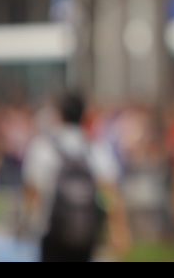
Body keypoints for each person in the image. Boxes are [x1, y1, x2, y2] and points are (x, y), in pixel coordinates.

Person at [21, 91, 130, 262]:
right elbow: (110, 192)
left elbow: (32, 191)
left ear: (59, 114)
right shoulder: (95, 148)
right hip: (85, 234)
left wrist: (26, 223)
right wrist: (118, 229)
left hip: (52, 233)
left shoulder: (43, 147)